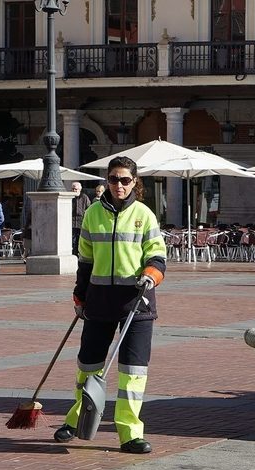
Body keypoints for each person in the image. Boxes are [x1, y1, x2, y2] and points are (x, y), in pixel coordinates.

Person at [54, 156, 167, 454]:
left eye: (125, 180)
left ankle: (129, 433)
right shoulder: (92, 214)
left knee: (133, 372)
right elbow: (85, 261)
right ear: (107, 181)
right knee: (88, 366)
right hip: (99, 301)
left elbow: (157, 256)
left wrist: (150, 275)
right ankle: (77, 419)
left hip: (137, 302)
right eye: (114, 179)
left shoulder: (145, 214)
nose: (119, 185)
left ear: (135, 182)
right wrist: (80, 296)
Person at [71, 181, 91, 255]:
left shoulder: (84, 197)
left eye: (76, 189)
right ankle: (73, 253)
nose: (74, 191)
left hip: (81, 222)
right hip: (72, 223)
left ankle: (80, 254)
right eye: (73, 189)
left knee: (81, 240)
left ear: (80, 189)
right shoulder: (70, 197)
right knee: (72, 240)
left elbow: (88, 208)